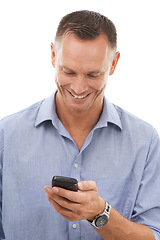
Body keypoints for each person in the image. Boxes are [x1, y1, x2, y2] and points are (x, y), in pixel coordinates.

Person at [0, 10, 160, 240]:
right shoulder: (6, 136)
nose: (78, 87)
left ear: (113, 64)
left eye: (93, 75)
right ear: (53, 56)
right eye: (68, 71)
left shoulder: (145, 141)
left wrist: (99, 213)